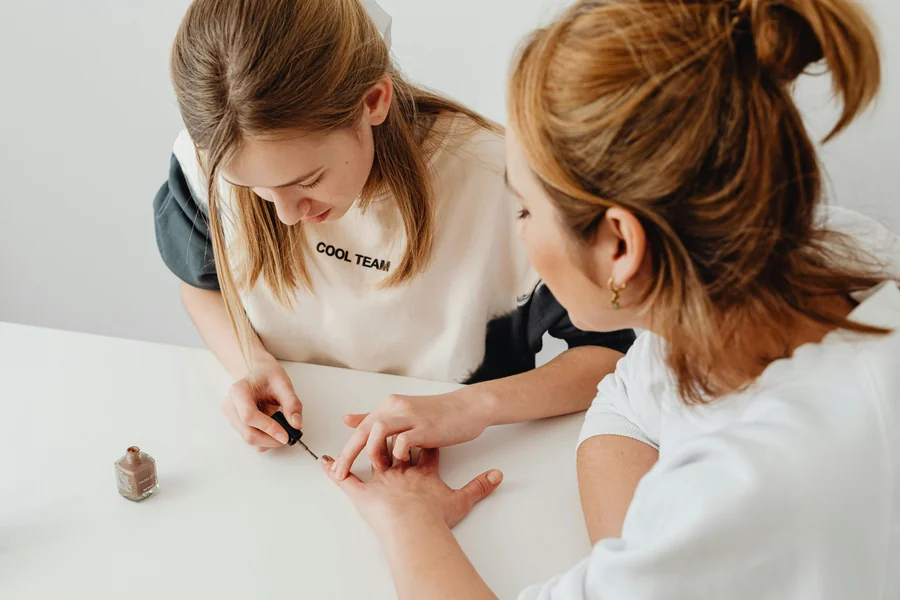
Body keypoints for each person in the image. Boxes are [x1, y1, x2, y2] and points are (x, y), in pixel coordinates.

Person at [321, 0, 900, 597]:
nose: (520, 232)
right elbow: (625, 404)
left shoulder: (755, 486)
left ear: (620, 244)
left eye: (526, 210)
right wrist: (642, 568)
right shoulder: (770, 268)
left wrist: (409, 518)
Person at [152, 0, 634, 453]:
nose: (286, 215)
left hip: (473, 459)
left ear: (374, 101)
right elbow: (201, 284)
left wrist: (474, 406)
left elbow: (611, 354)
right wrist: (249, 363)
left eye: (309, 181)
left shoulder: (508, 185)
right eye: (253, 187)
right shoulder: (207, 165)